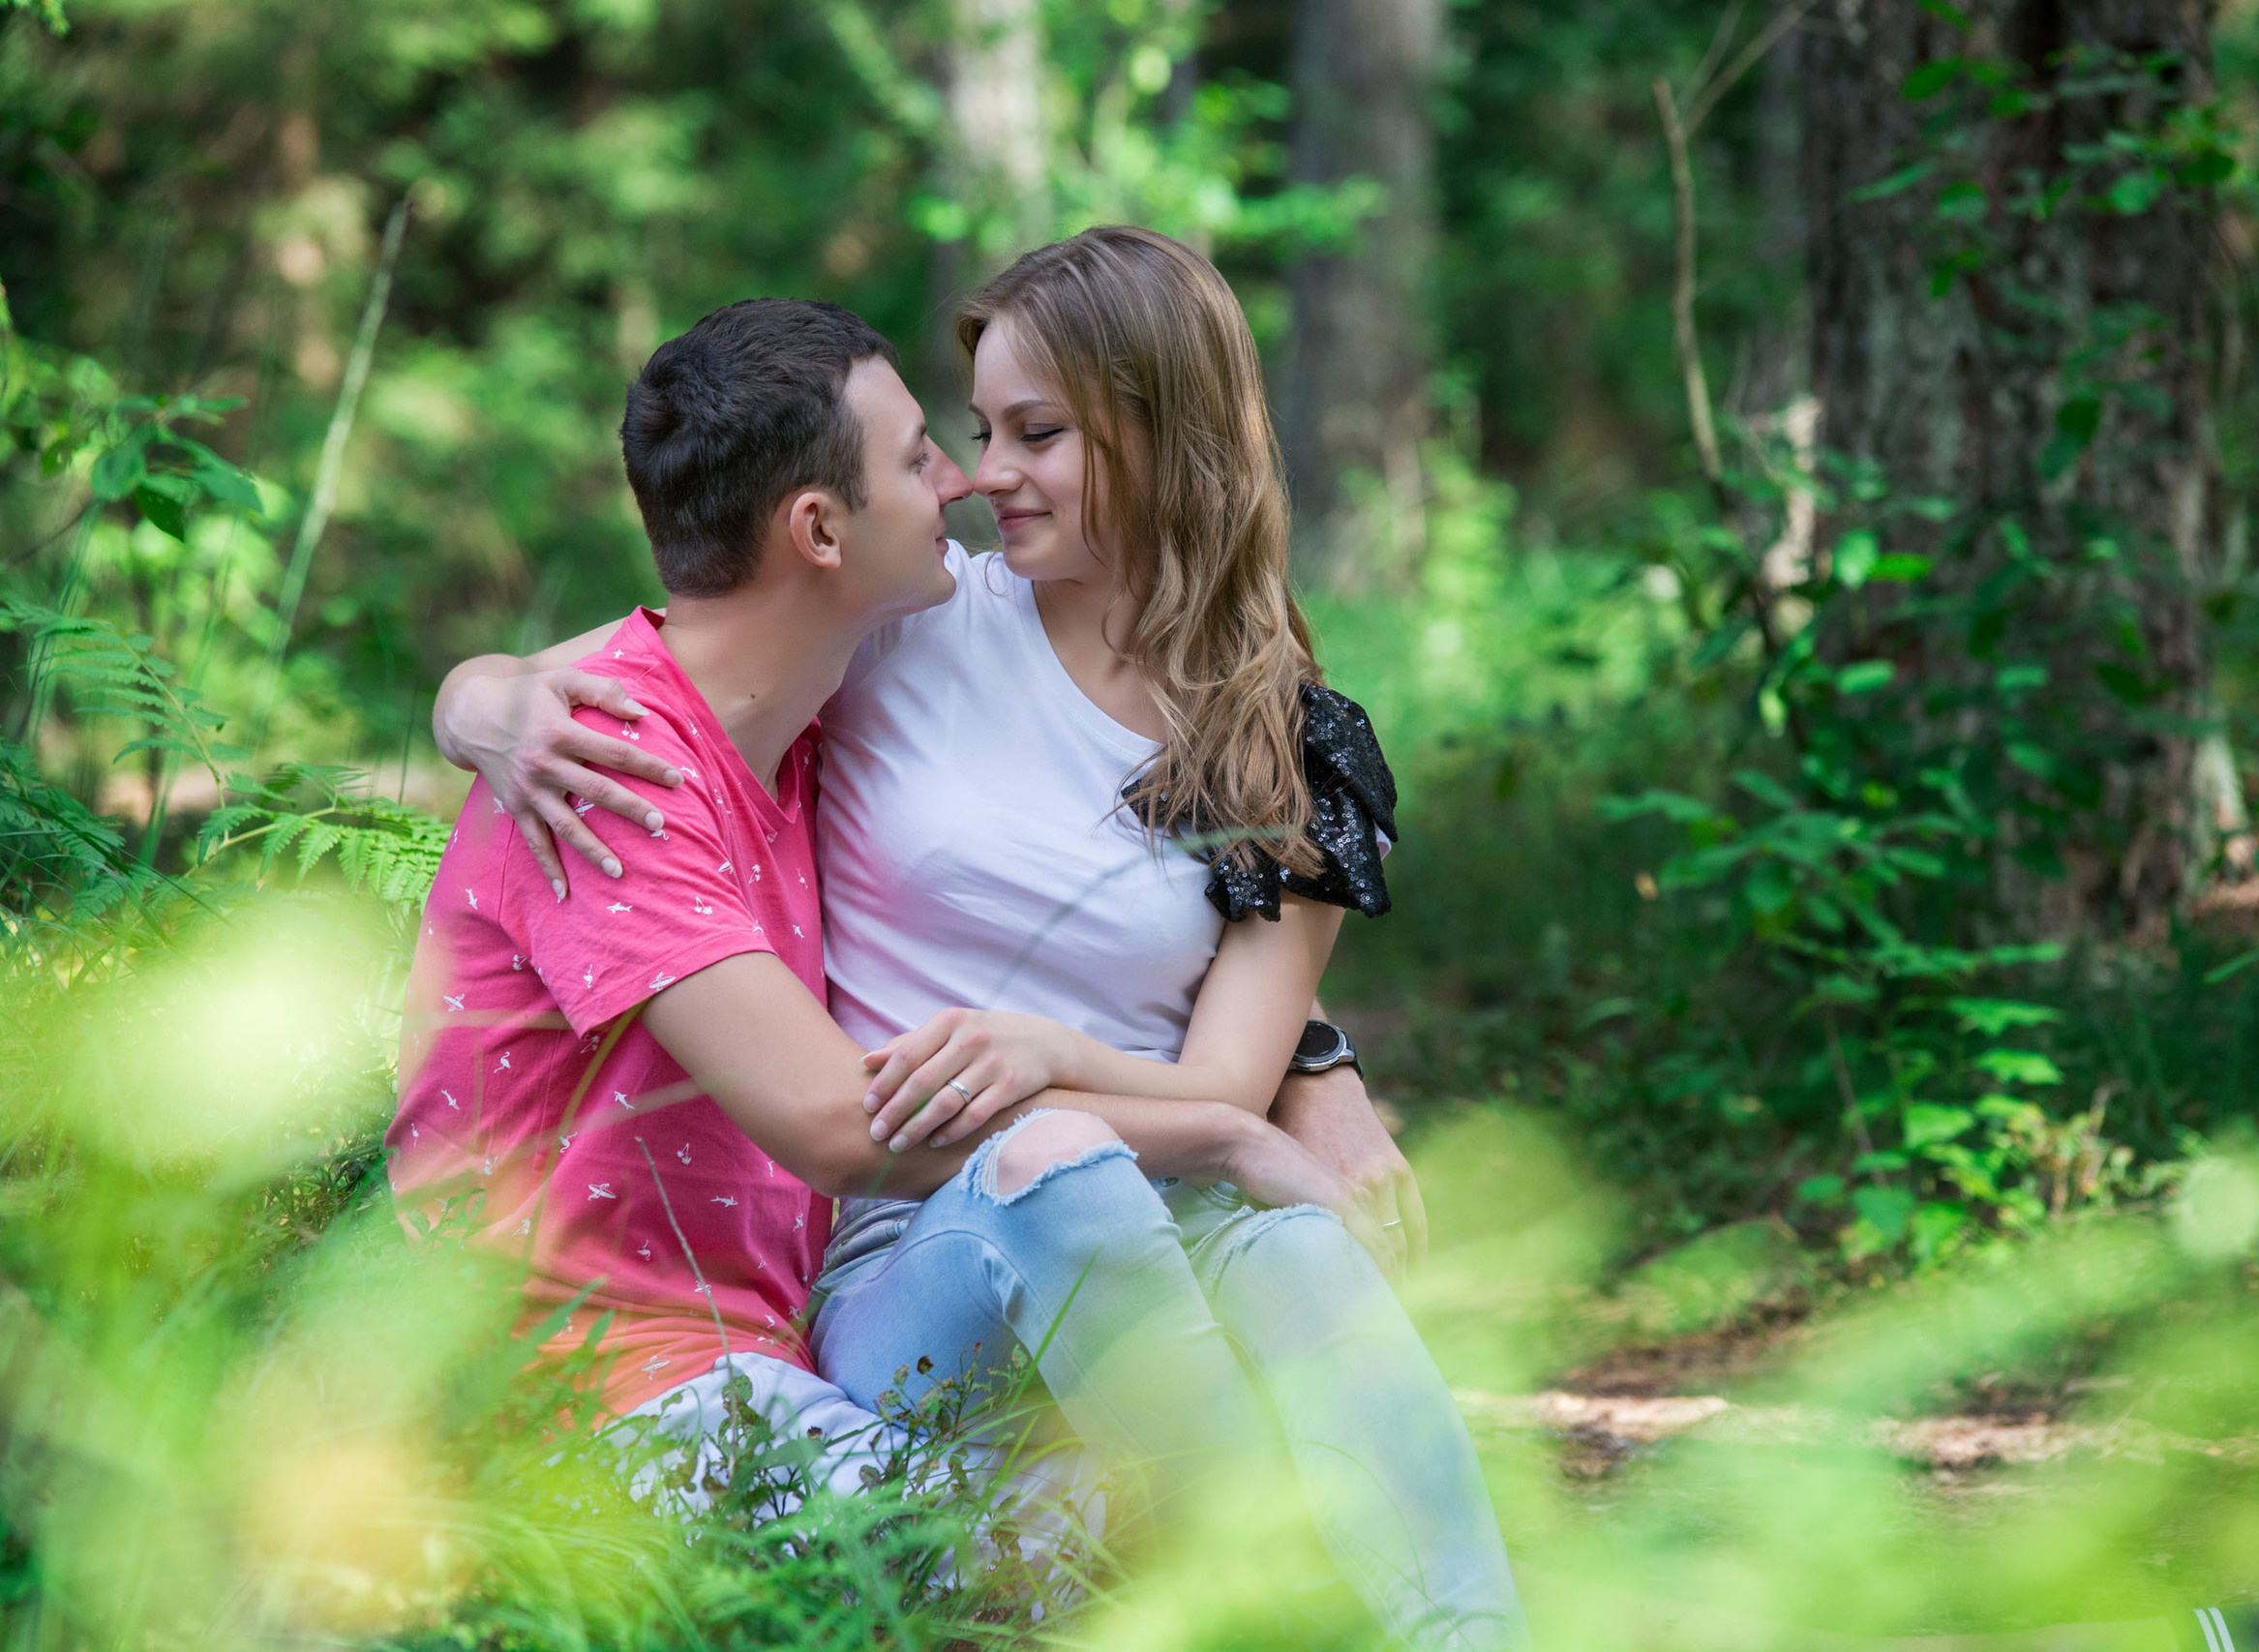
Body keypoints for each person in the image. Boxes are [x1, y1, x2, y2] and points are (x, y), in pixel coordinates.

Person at [432, 230, 1528, 1651]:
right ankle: (1276, 1614)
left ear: (1163, 435)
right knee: (1052, 1163)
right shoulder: (917, 621)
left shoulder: (1287, 747)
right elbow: (652, 663)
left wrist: (1275, 1070)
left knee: (1300, 1258)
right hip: (924, 1244)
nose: (980, 473)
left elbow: (1228, 1077)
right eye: (972, 431)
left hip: (1174, 1207)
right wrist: (476, 699)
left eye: (1038, 433)